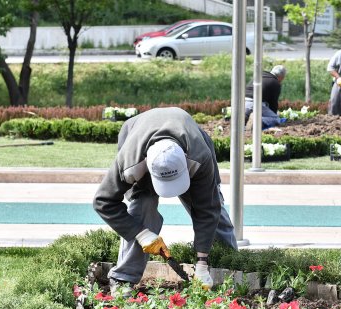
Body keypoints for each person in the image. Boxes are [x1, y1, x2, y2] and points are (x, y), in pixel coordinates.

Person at [93, 107, 238, 295]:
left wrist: (202, 263)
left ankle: (230, 267)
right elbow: (103, 202)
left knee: (214, 208)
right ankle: (123, 278)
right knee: (142, 206)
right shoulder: (130, 162)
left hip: (191, 141)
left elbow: (208, 210)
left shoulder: (200, 156)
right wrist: (141, 233)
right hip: (138, 138)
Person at [244, 65, 287, 129]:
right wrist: (273, 114)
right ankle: (258, 121)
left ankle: (245, 117)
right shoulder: (275, 83)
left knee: (257, 106)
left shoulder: (260, 75)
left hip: (244, 101)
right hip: (255, 102)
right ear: (281, 77)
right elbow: (273, 103)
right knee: (275, 119)